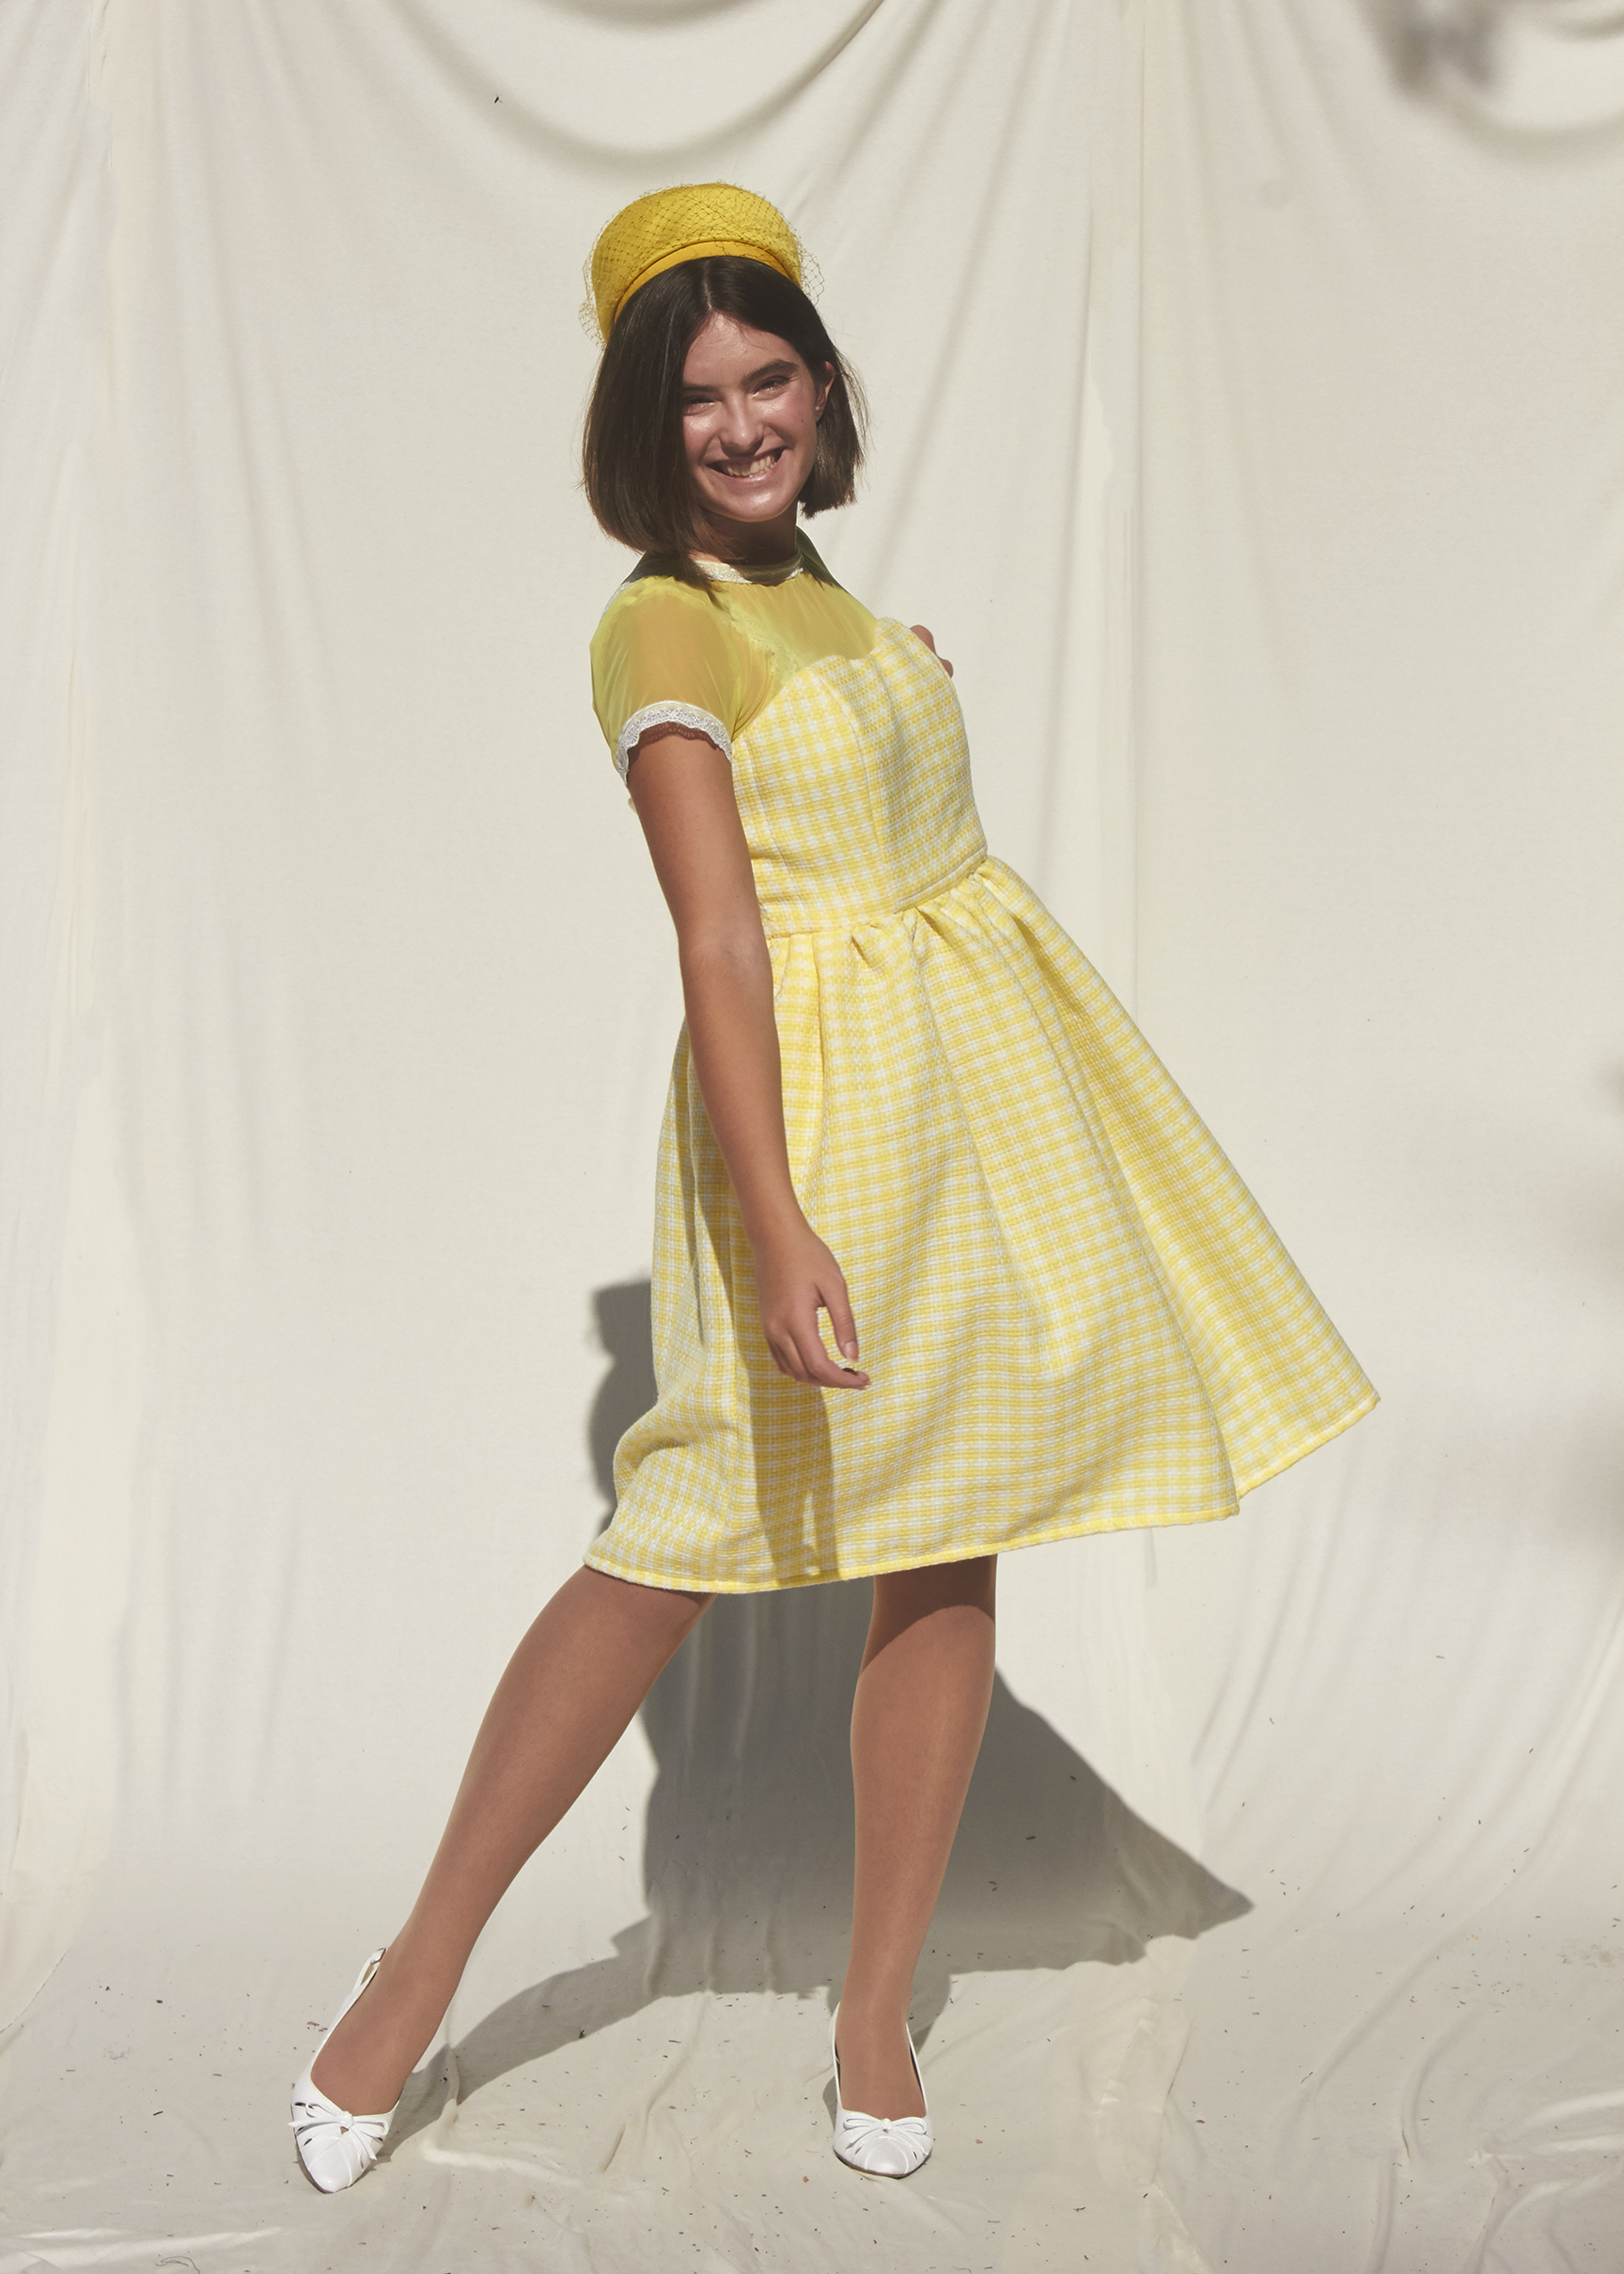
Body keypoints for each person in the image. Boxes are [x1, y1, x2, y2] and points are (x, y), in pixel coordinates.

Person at [289, 182, 1377, 2192]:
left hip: (976, 1107)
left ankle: (877, 2005)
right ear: (639, 417)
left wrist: (899, 686)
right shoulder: (662, 621)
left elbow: (885, 806)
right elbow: (718, 939)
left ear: (818, 380)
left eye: (767, 373)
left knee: (950, 1532)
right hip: (818, 1119)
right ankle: (406, 1977)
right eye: (692, 393)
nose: (737, 421)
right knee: (675, 1544)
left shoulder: (834, 602)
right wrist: (779, 1224)